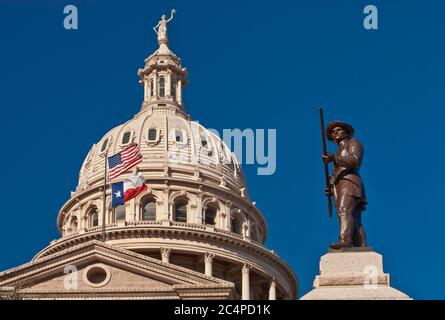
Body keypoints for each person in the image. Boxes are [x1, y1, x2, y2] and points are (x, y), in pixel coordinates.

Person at [322, 121, 367, 249]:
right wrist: (331, 188)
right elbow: (338, 173)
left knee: (344, 211)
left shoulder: (353, 143)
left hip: (350, 183)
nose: (334, 133)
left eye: (338, 130)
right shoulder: (338, 151)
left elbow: (355, 160)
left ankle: (345, 241)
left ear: (347, 132)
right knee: (354, 219)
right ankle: (361, 246)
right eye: (332, 132)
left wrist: (334, 159)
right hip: (340, 186)